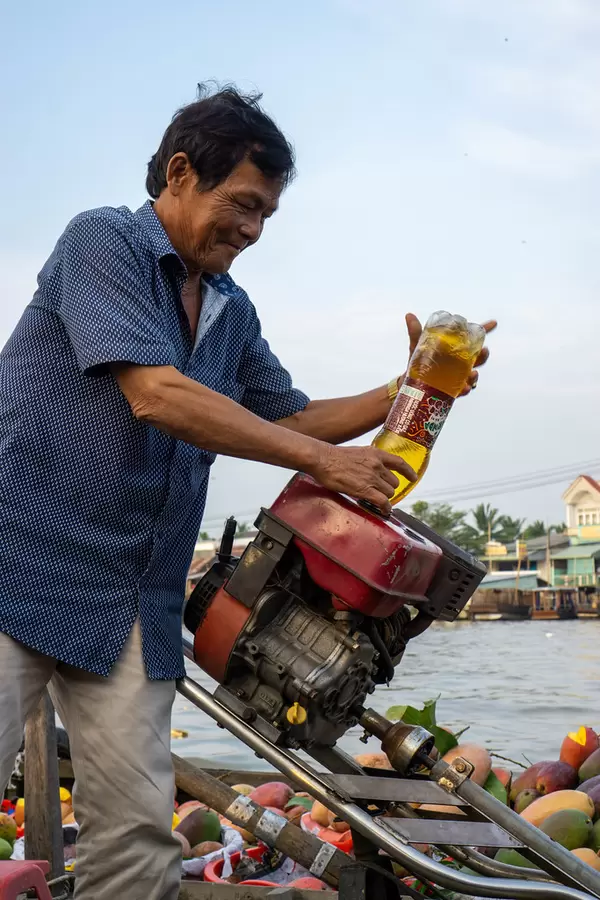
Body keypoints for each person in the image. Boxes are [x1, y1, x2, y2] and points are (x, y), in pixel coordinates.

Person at [0, 84, 493, 900]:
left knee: (133, 839)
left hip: (133, 596)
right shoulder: (104, 243)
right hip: (21, 563)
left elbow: (294, 415)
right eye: (242, 204)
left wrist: (409, 388)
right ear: (182, 172)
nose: (253, 229)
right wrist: (322, 464)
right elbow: (158, 394)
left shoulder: (231, 308)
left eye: (266, 215)